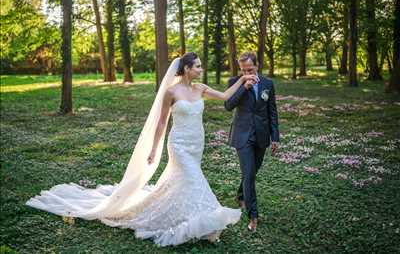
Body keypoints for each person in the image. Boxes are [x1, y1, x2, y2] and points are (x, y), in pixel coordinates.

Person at [26, 52, 257, 246]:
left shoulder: (201, 88)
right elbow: (161, 123)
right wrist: (155, 150)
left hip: (197, 142)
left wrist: (242, 79)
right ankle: (207, 222)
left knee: (183, 182)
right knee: (195, 179)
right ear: (186, 68)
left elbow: (227, 96)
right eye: (197, 66)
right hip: (179, 144)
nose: (200, 69)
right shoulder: (171, 92)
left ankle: (185, 215)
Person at [224, 51, 280, 232]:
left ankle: (241, 194)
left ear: (257, 65)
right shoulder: (234, 82)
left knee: (252, 172)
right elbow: (228, 105)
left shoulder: (268, 84)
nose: (247, 73)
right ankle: (253, 215)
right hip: (242, 134)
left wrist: (275, 137)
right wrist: (244, 87)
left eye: (250, 69)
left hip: (261, 135)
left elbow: (272, 112)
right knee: (249, 175)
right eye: (243, 70)